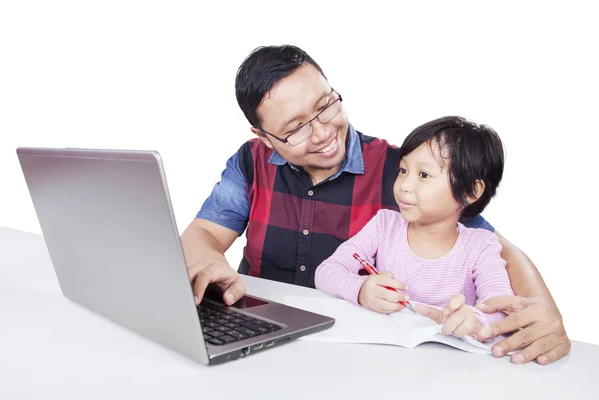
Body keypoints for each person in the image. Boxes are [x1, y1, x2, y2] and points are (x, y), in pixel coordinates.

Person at [180, 44, 570, 365]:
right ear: (263, 136)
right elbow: (203, 234)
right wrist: (208, 262)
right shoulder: (251, 162)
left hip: (360, 357)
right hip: (254, 339)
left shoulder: (404, 175)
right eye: (295, 128)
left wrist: (545, 315)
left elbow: (496, 249)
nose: (321, 133)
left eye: (326, 105)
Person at [315, 116, 513, 339]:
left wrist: (476, 319)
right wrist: (360, 290)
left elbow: (502, 308)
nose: (404, 186)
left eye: (424, 175)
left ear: (470, 192)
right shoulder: (384, 225)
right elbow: (326, 272)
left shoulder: (480, 245)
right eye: (403, 171)